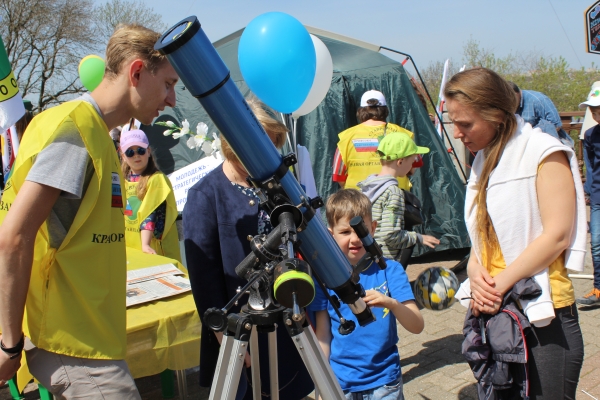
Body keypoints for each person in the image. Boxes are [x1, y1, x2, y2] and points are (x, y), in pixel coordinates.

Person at [0, 24, 178, 397]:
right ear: (136, 72)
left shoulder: (95, 132)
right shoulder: (76, 133)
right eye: (167, 84)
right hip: (71, 344)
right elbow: (14, 238)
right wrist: (9, 345)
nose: (172, 99)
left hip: (88, 339)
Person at [447, 68, 585, 399]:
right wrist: (475, 271)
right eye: (453, 122)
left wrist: (498, 283)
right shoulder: (482, 161)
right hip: (499, 308)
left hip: (544, 315)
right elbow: (483, 233)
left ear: (495, 114)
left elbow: (557, 236)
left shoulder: (544, 152)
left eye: (465, 124)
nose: (457, 132)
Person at [183, 99, 314, 400]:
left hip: (282, 321)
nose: (262, 158)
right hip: (237, 330)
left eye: (270, 148)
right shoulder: (205, 194)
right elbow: (204, 279)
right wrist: (224, 337)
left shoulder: (277, 185)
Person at [309, 189, 424, 399]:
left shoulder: (390, 270)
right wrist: (321, 384)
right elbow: (323, 335)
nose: (355, 239)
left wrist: (392, 304)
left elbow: (417, 325)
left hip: (385, 383)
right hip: (340, 384)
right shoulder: (323, 278)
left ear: (373, 228)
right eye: (345, 232)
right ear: (330, 233)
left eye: (361, 230)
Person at [358, 133, 439, 266]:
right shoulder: (393, 192)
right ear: (400, 161)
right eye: (412, 161)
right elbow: (390, 235)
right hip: (384, 261)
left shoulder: (368, 186)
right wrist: (418, 238)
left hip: (366, 257)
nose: (413, 165)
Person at [333, 90, 415, 190]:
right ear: (385, 110)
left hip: (358, 201)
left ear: (360, 111)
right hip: (397, 198)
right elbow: (412, 168)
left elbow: (339, 176)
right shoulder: (404, 134)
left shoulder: (346, 137)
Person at [121, 127, 180, 261]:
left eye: (141, 150)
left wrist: (145, 244)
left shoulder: (157, 179)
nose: (136, 155)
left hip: (152, 248)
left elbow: (150, 213)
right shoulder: (121, 181)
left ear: (148, 151)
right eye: (130, 152)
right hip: (129, 248)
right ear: (123, 156)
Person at [577, 86, 600, 304]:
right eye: (592, 111)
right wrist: (588, 191)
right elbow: (591, 168)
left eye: (598, 110)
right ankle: (598, 290)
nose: (594, 114)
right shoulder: (590, 135)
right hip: (598, 199)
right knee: (597, 243)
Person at [510, 82, 574, 148]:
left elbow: (556, 125)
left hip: (549, 144)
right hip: (523, 145)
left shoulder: (538, 100)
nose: (509, 104)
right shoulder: (508, 105)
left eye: (509, 100)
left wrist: (533, 136)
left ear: (515, 94)